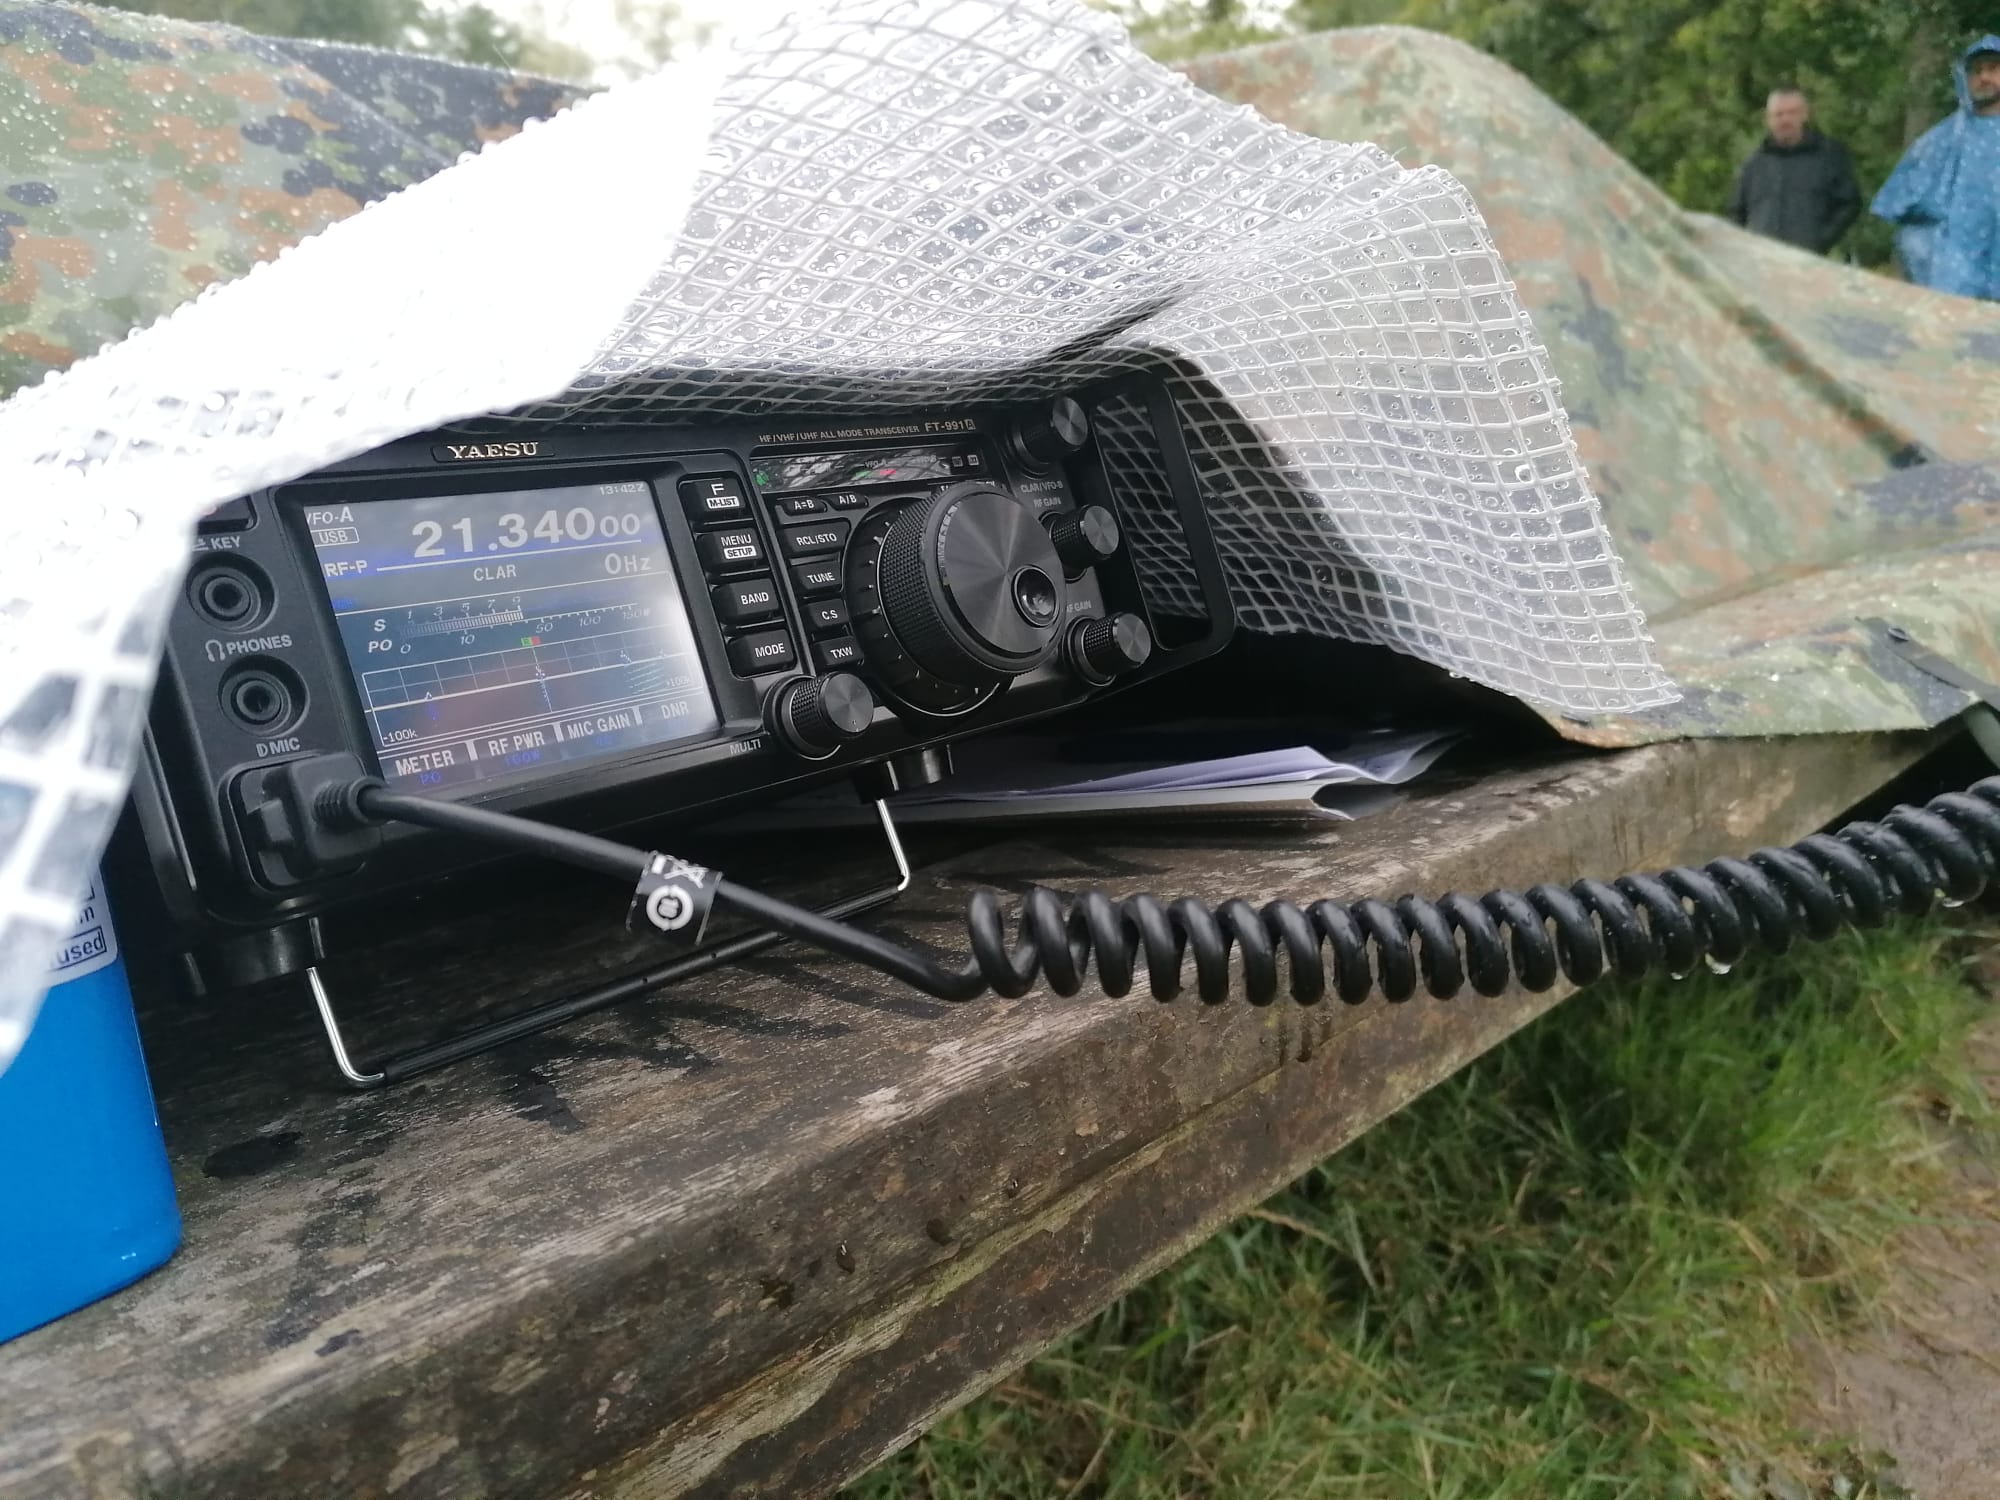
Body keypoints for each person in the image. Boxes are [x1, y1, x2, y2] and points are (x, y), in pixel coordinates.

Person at [1872, 36, 2000, 300]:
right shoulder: (1941, 140)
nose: (1984, 77)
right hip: (1955, 281)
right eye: (1976, 71)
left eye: (1993, 68)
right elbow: (1901, 202)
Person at [1726, 87, 1862, 254]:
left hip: (1808, 258)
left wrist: (1821, 240)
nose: (1785, 120)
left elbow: (1849, 204)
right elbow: (1736, 213)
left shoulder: (1828, 156)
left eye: (1792, 113)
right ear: (1768, 119)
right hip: (1761, 258)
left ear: (1805, 114)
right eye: (1778, 114)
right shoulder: (1754, 164)